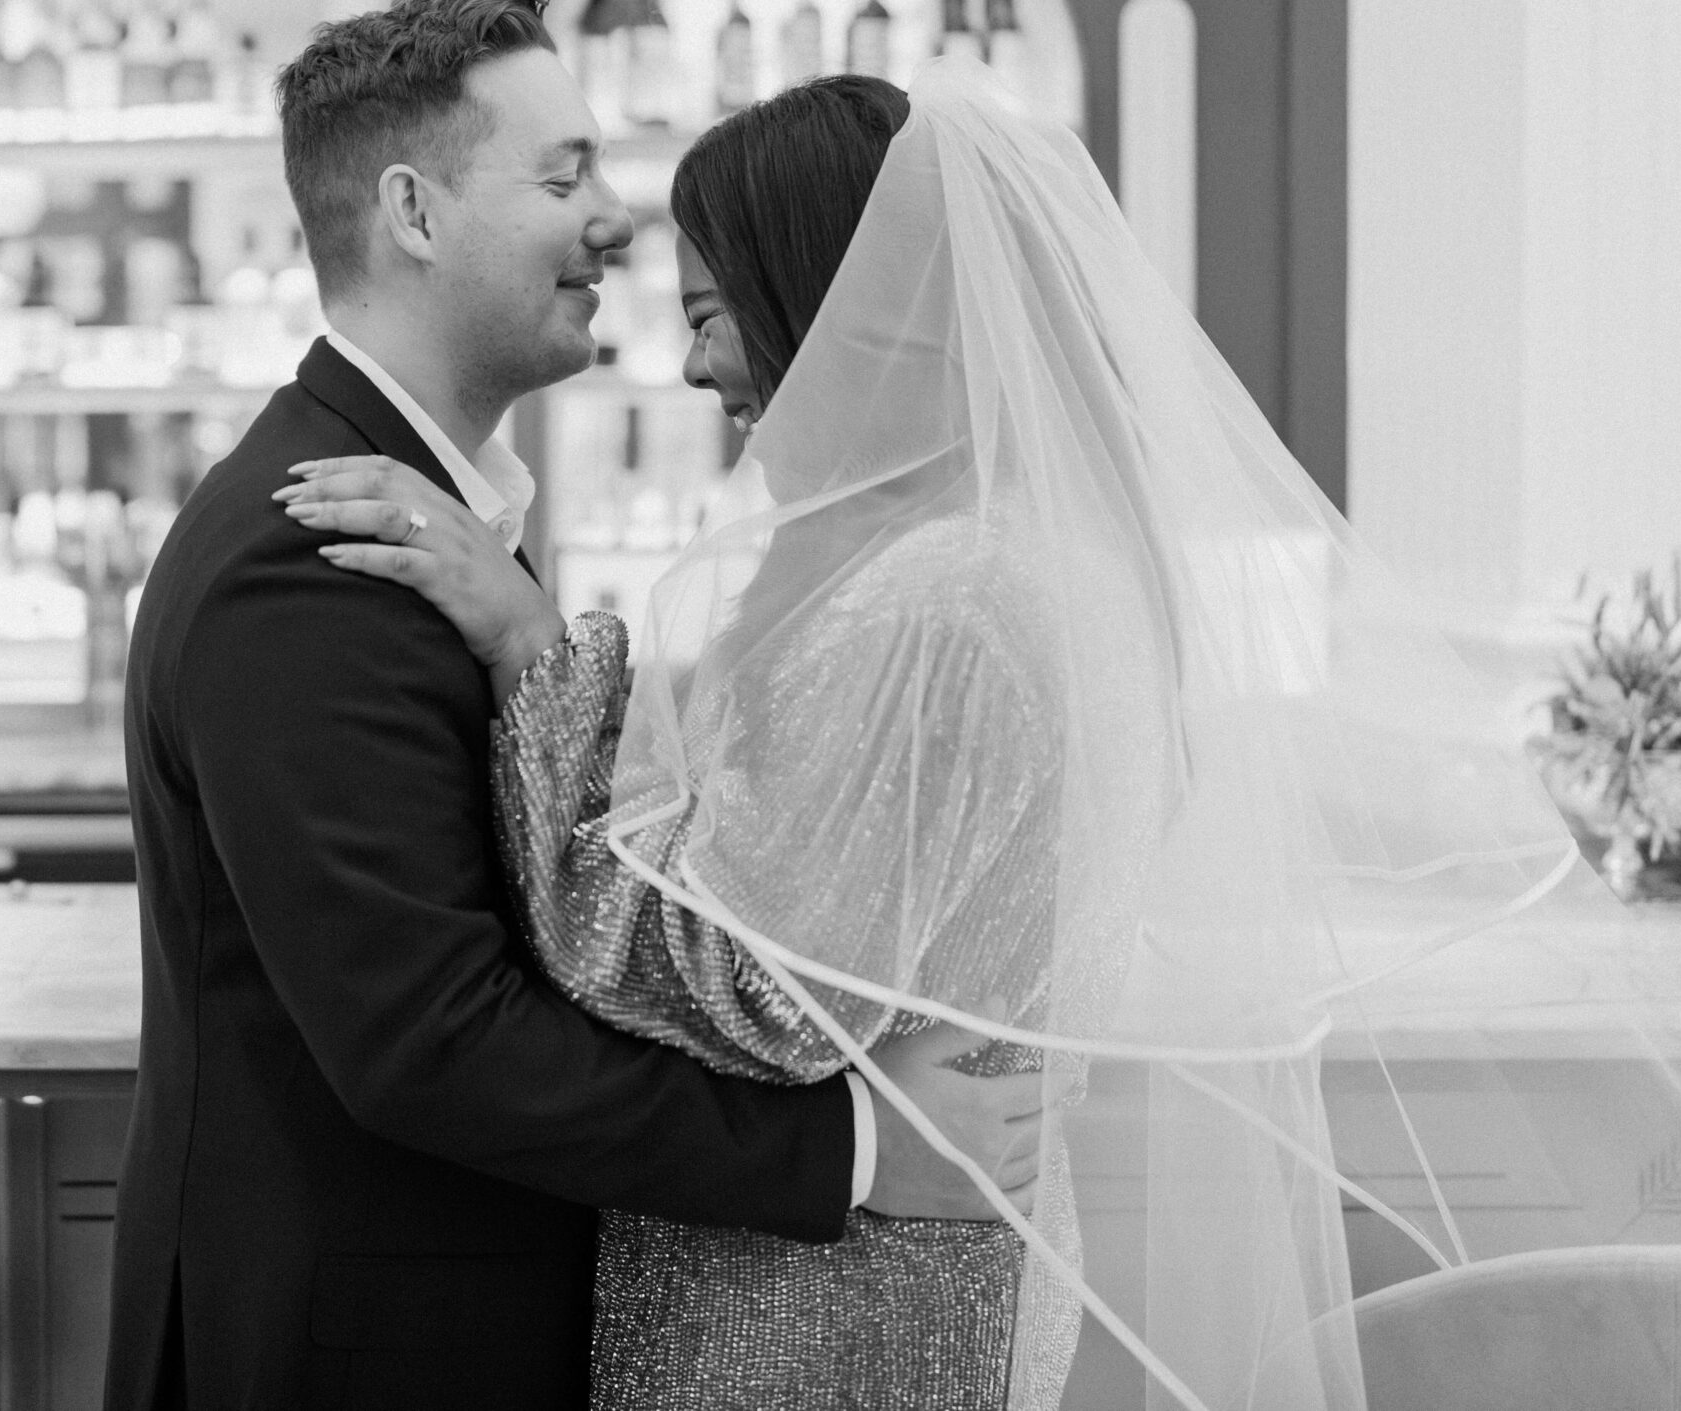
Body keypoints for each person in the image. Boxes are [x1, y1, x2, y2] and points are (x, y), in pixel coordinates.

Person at [107, 0, 1043, 1411]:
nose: (617, 220)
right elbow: (433, 1041)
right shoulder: (315, 550)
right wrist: (854, 1152)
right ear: (415, 215)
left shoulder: (437, 520)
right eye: (565, 175)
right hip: (368, 1355)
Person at [281, 68, 1140, 1408]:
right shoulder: (925, 568)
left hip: (819, 1313)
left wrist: (533, 650)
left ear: (836, 304)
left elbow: (741, 984)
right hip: (828, 1277)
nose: (695, 364)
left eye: (712, 311)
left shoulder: (936, 603)